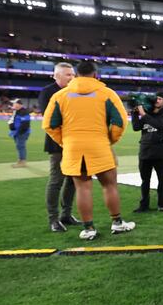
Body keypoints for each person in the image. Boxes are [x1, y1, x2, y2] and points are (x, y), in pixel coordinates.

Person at [42, 60, 135, 240]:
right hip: (99, 145)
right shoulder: (106, 93)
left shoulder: (61, 95)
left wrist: (65, 142)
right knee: (109, 185)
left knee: (83, 188)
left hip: (74, 148)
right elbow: (120, 121)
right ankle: (117, 223)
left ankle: (89, 229)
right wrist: (110, 139)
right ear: (95, 74)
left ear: (76, 74)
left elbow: (49, 125)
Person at [38, 62, 79, 232]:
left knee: (72, 180)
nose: (72, 77)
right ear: (57, 76)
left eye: (73, 74)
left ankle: (66, 214)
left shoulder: (76, 92)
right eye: (68, 74)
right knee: (56, 180)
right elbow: (50, 120)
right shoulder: (48, 92)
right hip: (57, 144)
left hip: (75, 142)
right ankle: (53, 219)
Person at [131, 92, 163, 212]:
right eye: (156, 98)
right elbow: (136, 127)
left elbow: (160, 125)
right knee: (145, 180)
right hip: (145, 150)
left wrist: (143, 114)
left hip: (160, 151)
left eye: (160, 99)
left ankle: (161, 204)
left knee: (161, 180)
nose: (157, 100)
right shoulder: (147, 113)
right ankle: (144, 205)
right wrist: (135, 113)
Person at [9, 98, 31, 168]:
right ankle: (20, 160)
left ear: (19, 104)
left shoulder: (24, 112)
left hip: (22, 132)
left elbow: (25, 124)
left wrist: (19, 132)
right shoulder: (16, 111)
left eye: (14, 103)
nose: (13, 105)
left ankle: (22, 161)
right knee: (19, 146)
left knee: (21, 146)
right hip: (17, 132)